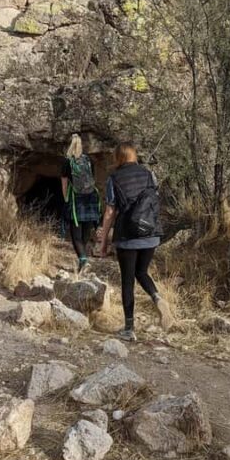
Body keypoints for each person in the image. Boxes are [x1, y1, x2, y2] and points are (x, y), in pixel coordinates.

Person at [98, 141, 173, 341]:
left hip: (128, 236)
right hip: (151, 233)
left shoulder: (114, 178)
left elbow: (110, 212)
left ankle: (129, 329)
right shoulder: (149, 174)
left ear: (118, 158)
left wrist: (104, 241)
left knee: (128, 281)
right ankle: (157, 298)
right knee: (142, 272)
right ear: (134, 155)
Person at [61, 134, 101, 273]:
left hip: (76, 200)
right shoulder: (88, 160)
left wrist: (66, 199)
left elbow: (64, 184)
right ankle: (82, 261)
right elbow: (92, 179)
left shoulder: (68, 162)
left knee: (75, 235)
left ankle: (83, 260)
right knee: (85, 233)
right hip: (91, 199)